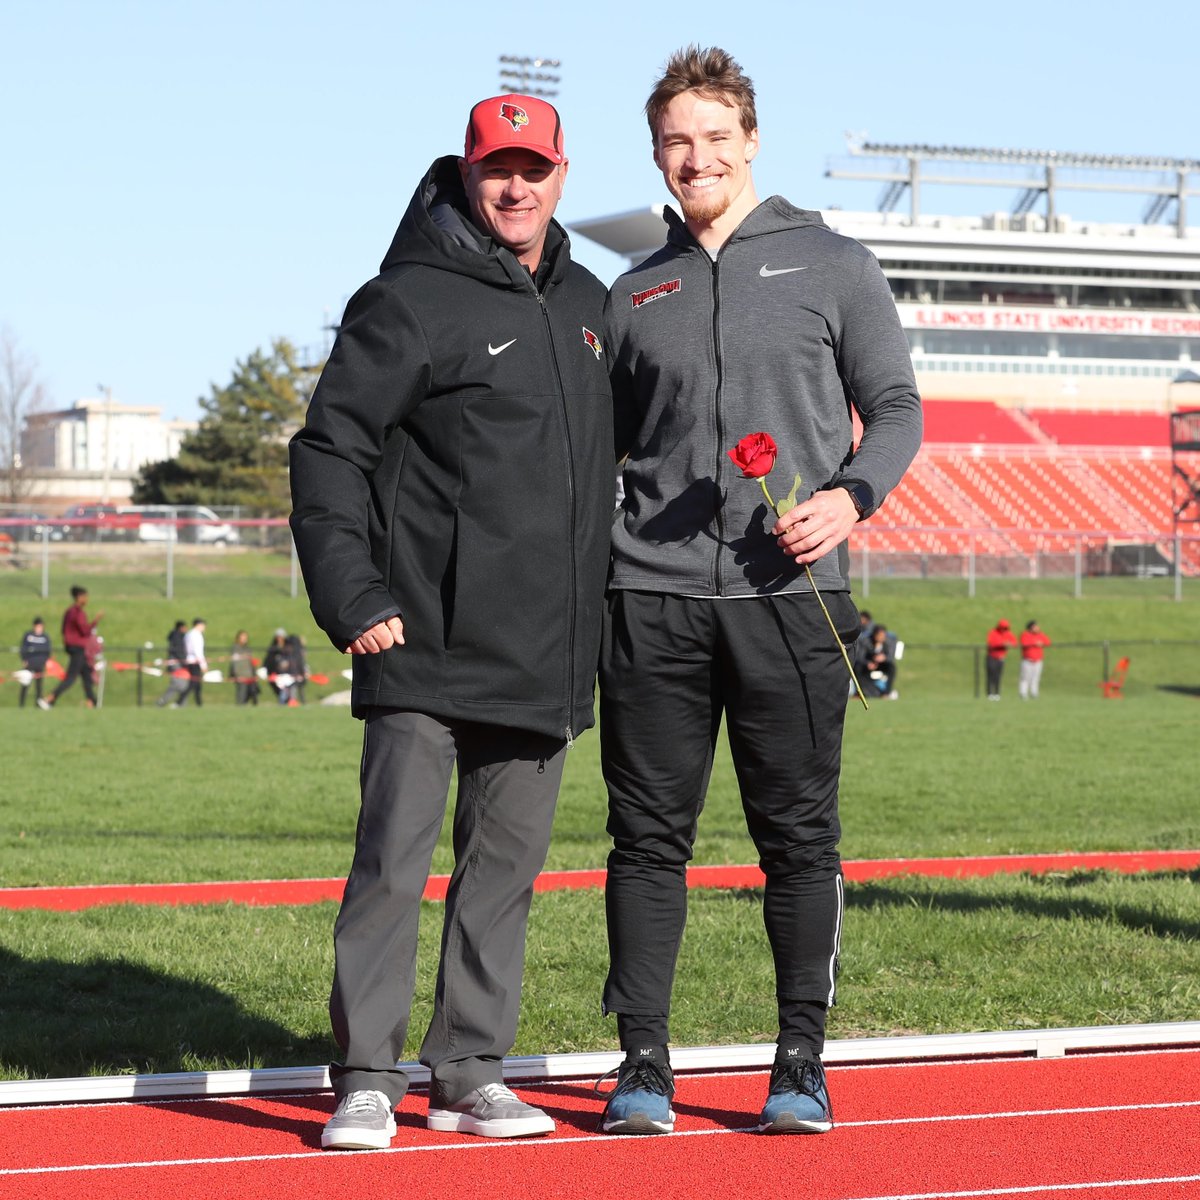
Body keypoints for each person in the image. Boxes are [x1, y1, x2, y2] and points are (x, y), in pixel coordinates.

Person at [597, 46, 922, 1137]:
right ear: (658, 153)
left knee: (799, 837)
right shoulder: (633, 290)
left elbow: (899, 409)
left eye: (714, 137)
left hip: (792, 600)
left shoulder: (835, 265)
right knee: (647, 839)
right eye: (676, 142)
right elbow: (594, 453)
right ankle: (642, 1062)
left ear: (751, 140)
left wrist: (849, 499)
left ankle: (799, 1062)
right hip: (649, 600)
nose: (697, 157)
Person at [288, 92, 612, 1150]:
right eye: (494, 169)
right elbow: (329, 450)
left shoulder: (592, 307)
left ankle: (470, 1070)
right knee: (392, 864)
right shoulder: (406, 299)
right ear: (466, 174)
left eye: (533, 168)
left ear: (562, 173)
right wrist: (354, 595)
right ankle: (367, 1076)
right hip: (418, 638)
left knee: (504, 877)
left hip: (543, 649)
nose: (514, 187)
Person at [39, 586, 102, 709]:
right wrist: (96, 621)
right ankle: (49, 699)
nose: (87, 599)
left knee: (87, 676)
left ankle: (93, 702)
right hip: (78, 648)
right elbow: (85, 630)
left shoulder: (69, 612)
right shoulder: (78, 613)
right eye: (85, 596)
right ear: (79, 597)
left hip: (74, 648)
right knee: (71, 678)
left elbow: (64, 629)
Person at [855, 623, 898, 699]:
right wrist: (868, 663)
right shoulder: (866, 641)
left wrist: (884, 658)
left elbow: (891, 656)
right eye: (880, 636)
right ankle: (861, 692)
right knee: (857, 668)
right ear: (875, 635)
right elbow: (860, 657)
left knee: (892, 667)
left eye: (883, 635)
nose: (882, 638)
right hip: (868, 664)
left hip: (882, 664)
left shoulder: (889, 641)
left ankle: (886, 693)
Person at [155, 620, 190, 708]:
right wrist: (184, 661)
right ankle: (163, 701)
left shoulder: (177, 637)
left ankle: (181, 703)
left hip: (178, 663)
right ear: (181, 627)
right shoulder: (177, 637)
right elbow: (178, 651)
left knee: (182, 684)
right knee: (178, 684)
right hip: (177, 664)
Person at [18, 617, 52, 708]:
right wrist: (24, 660)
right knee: (25, 684)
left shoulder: (45, 637)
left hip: (40, 665)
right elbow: (23, 648)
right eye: (37, 626)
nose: (39, 628)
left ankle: (38, 704)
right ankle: (21, 705)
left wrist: (46, 661)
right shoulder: (28, 636)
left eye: (40, 626)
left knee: (39, 687)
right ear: (34, 626)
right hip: (29, 664)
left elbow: (48, 651)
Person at [1018, 620, 1051, 699]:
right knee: (1025, 677)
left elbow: (1047, 642)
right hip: (1028, 660)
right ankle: (1023, 693)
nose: (1037, 628)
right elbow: (1024, 643)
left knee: (1036, 677)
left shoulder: (1040, 635)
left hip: (1038, 660)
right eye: (1035, 626)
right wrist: (1035, 643)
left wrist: (1041, 643)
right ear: (1031, 627)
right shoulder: (1025, 635)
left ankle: (1034, 692)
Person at [263, 629, 297, 705]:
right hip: (278, 676)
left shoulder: (289, 648)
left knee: (291, 694)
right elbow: (269, 661)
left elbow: (293, 661)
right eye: (278, 637)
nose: (279, 639)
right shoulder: (273, 649)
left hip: (289, 675)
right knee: (282, 694)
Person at [986, 619, 1017, 700]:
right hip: (992, 657)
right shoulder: (993, 632)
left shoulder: (1008, 633)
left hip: (1001, 658)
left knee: (998, 676)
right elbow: (991, 643)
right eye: (1002, 627)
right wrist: (1002, 644)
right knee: (991, 676)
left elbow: (1014, 642)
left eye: (1005, 628)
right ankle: (989, 693)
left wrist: (1010, 644)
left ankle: (997, 693)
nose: (1003, 629)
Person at [182, 618, 207, 707]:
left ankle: (199, 703)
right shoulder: (196, 635)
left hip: (189, 660)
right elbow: (198, 651)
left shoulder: (188, 634)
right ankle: (180, 701)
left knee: (197, 684)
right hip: (195, 661)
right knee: (193, 683)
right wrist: (203, 664)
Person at [229, 630, 259, 705]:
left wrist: (254, 674)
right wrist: (232, 674)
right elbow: (233, 663)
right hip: (240, 675)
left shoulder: (248, 649)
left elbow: (251, 663)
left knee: (253, 694)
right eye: (242, 637)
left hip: (250, 675)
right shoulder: (235, 648)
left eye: (246, 637)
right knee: (241, 695)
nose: (244, 639)